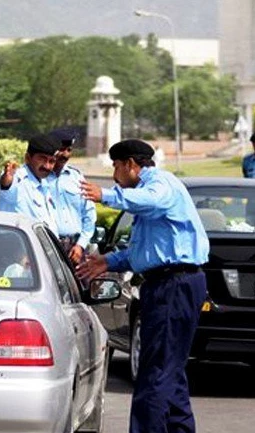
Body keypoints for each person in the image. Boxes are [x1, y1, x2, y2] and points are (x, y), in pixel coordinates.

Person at [77, 139, 209, 433]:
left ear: (130, 165)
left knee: (155, 373)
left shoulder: (161, 184)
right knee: (169, 371)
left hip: (174, 284)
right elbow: (144, 251)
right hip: (169, 282)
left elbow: (153, 200)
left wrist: (106, 196)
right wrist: (107, 261)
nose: (114, 176)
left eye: (116, 167)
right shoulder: (148, 196)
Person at [47, 127, 96, 264]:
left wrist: (81, 245)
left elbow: (89, 213)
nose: (65, 155)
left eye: (69, 150)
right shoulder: (39, 178)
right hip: (47, 245)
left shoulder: (76, 177)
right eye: (61, 149)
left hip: (75, 249)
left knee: (83, 285)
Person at [0, 134, 60, 235]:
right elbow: (7, 187)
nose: (47, 166)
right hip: (14, 245)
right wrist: (6, 179)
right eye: (42, 159)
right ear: (28, 158)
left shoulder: (44, 184)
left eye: (51, 161)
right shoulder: (18, 178)